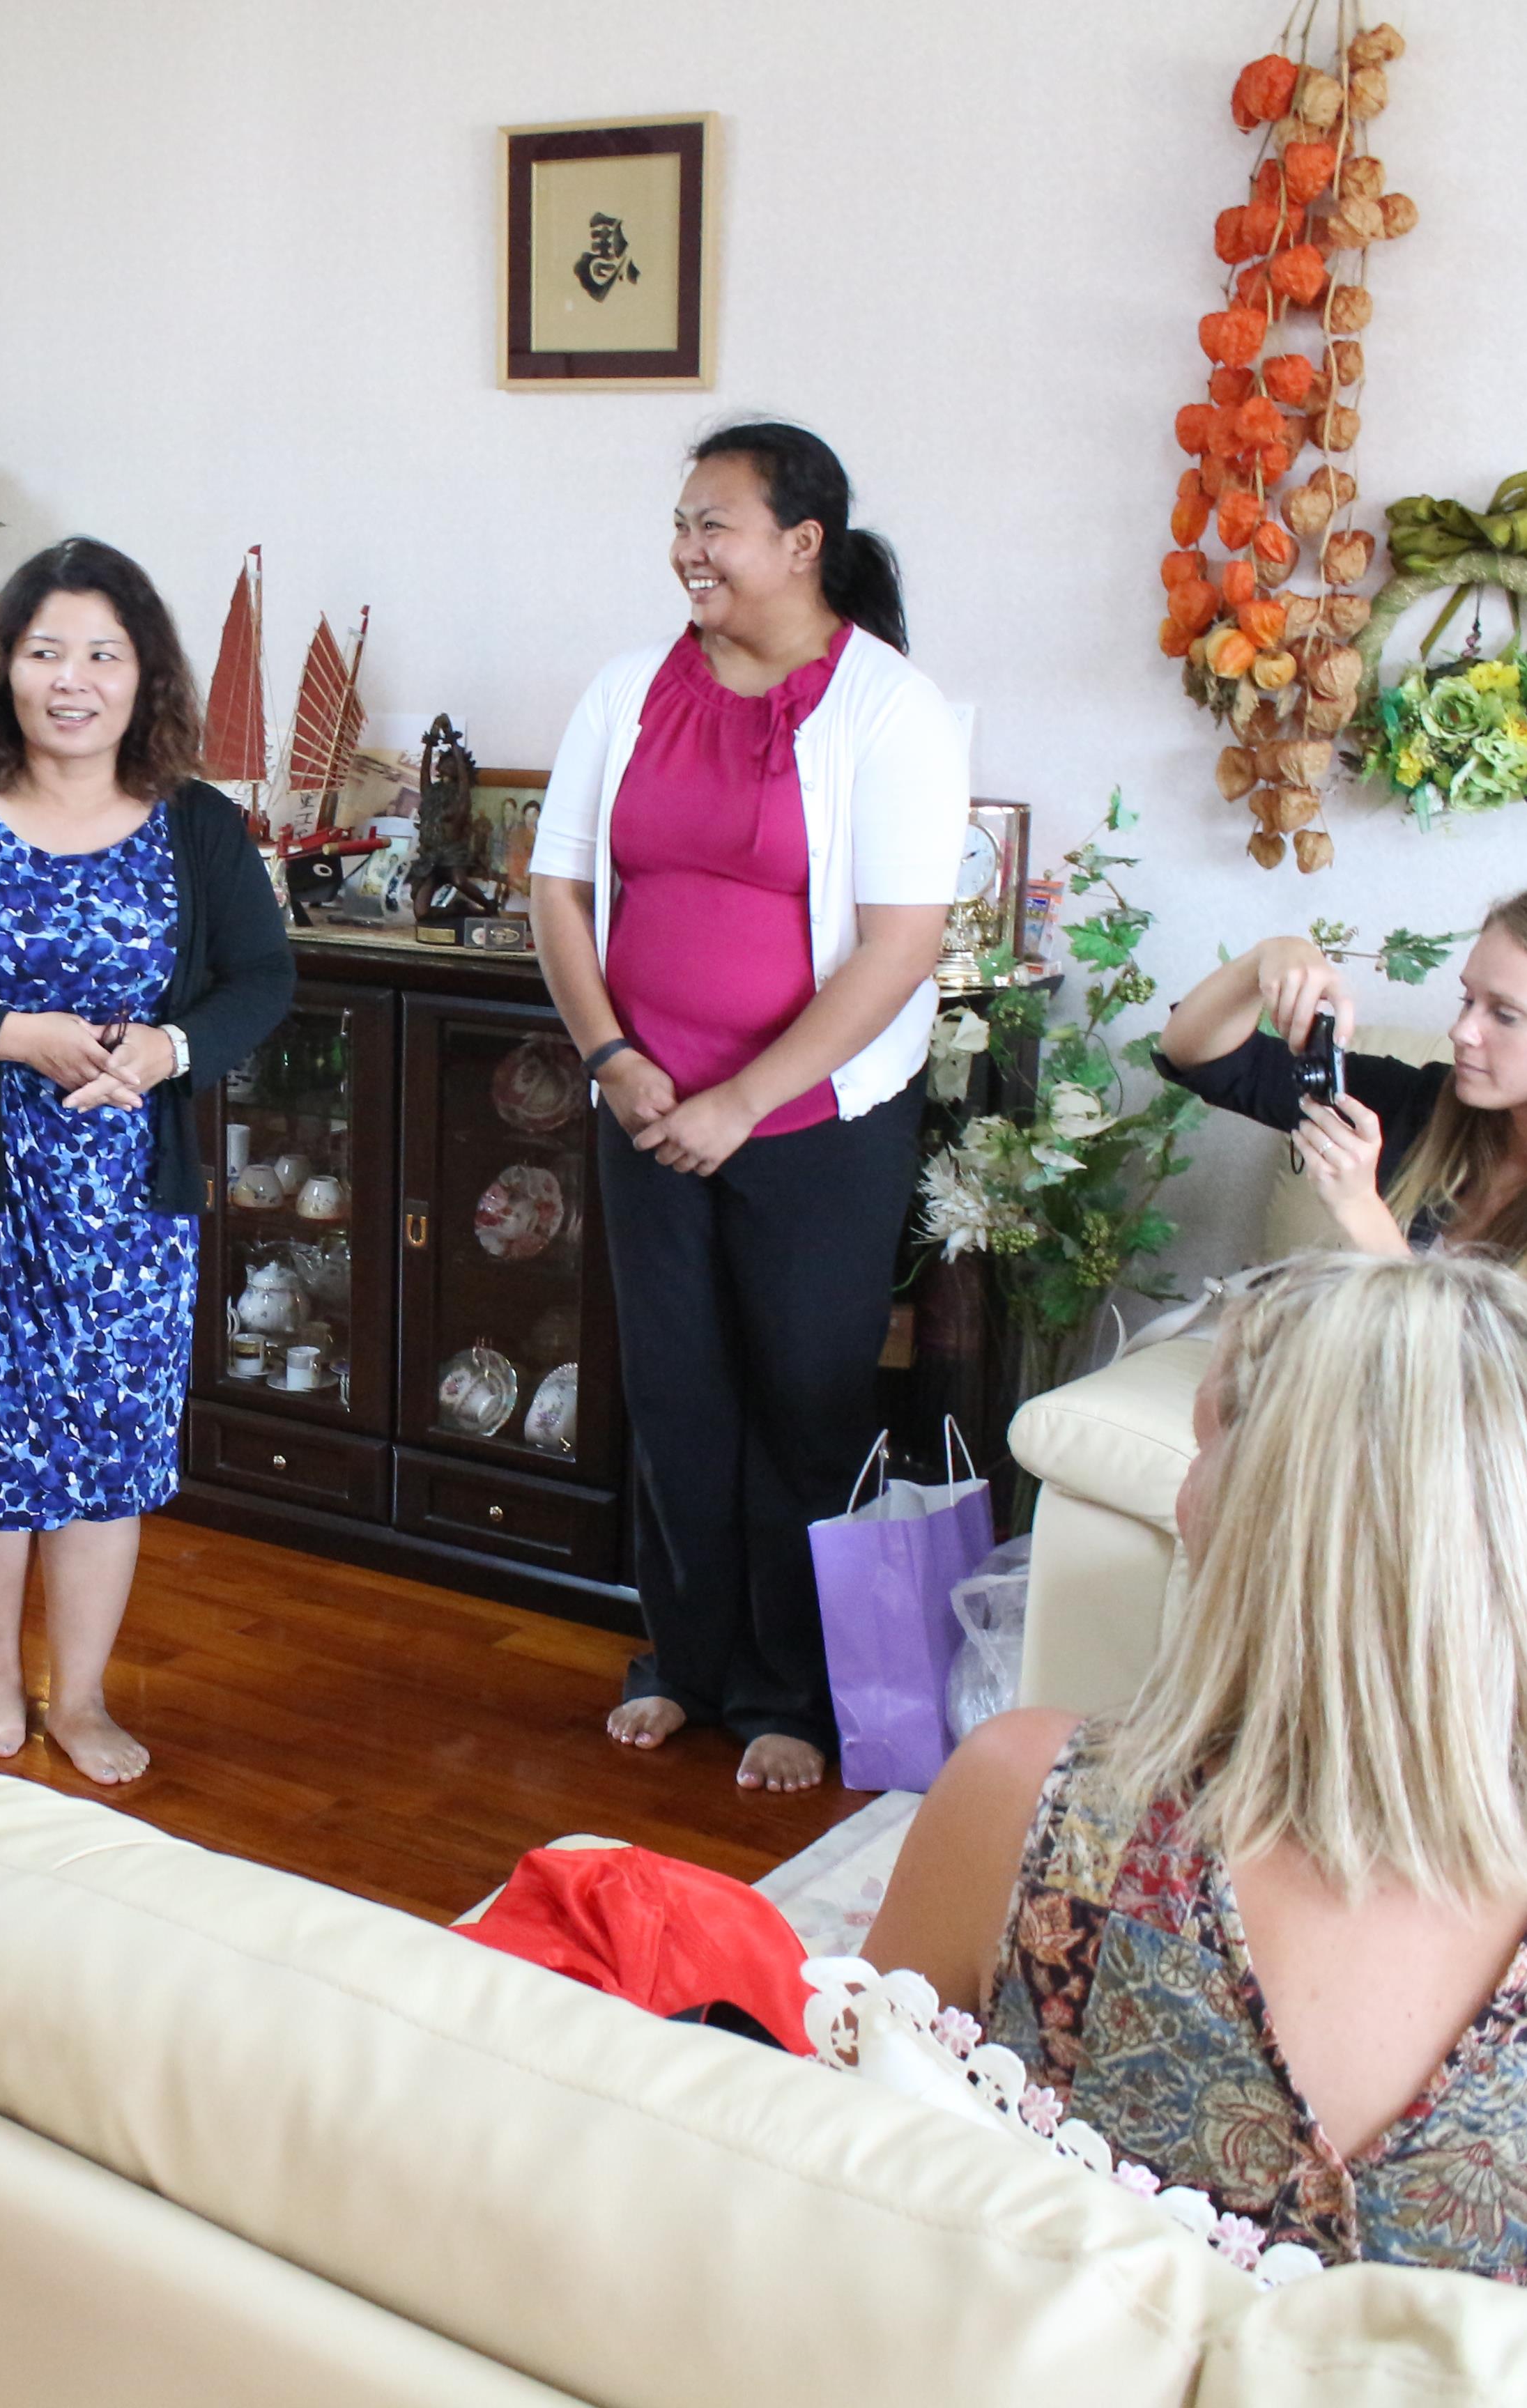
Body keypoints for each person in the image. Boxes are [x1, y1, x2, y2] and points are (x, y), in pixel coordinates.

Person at [864, 1253, 1527, 2342]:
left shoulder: (1026, 1803)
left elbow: (846, 2196)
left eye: (1206, 1449)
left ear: (1276, 1523)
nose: (1182, 1495)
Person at [531, 422, 968, 1793]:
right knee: (674, 1391)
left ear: (802, 543)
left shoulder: (890, 709)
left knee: (804, 1401)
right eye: (681, 521)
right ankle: (683, 1660)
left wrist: (740, 1099)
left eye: (715, 523)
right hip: (645, 1106)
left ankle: (797, 1691)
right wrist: (613, 1060)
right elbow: (559, 891)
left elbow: (901, 946)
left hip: (816, 1121)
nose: (688, 548)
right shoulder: (625, 688)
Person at [0, 538, 294, 1784]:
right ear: (5, 673)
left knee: (105, 1448)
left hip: (127, 1201)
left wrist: (167, 1048)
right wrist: (13, 1037)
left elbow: (263, 980)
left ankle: (81, 1694)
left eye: (102, 653)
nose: (71, 680)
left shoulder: (198, 826)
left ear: (142, 675)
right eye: (45, 653)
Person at [1156, 881, 1527, 1648]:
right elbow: (1198, 1055)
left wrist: (1363, 1213)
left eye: (1504, 1014)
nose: (1463, 1033)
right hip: (1396, 1474)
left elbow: (1508, 1401)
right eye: (1467, 1001)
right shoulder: (1428, 1109)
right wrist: (1268, 961)